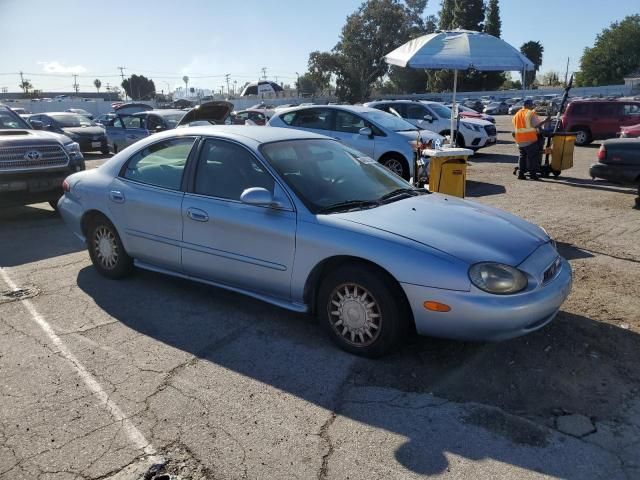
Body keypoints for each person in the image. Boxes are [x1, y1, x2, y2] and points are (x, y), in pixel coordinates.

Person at [512, 99, 549, 180]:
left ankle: (521, 174)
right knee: (533, 158)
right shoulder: (530, 113)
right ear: (528, 105)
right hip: (529, 140)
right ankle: (533, 175)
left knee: (523, 157)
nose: (532, 107)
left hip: (519, 140)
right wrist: (545, 121)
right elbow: (536, 125)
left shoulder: (517, 114)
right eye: (532, 105)